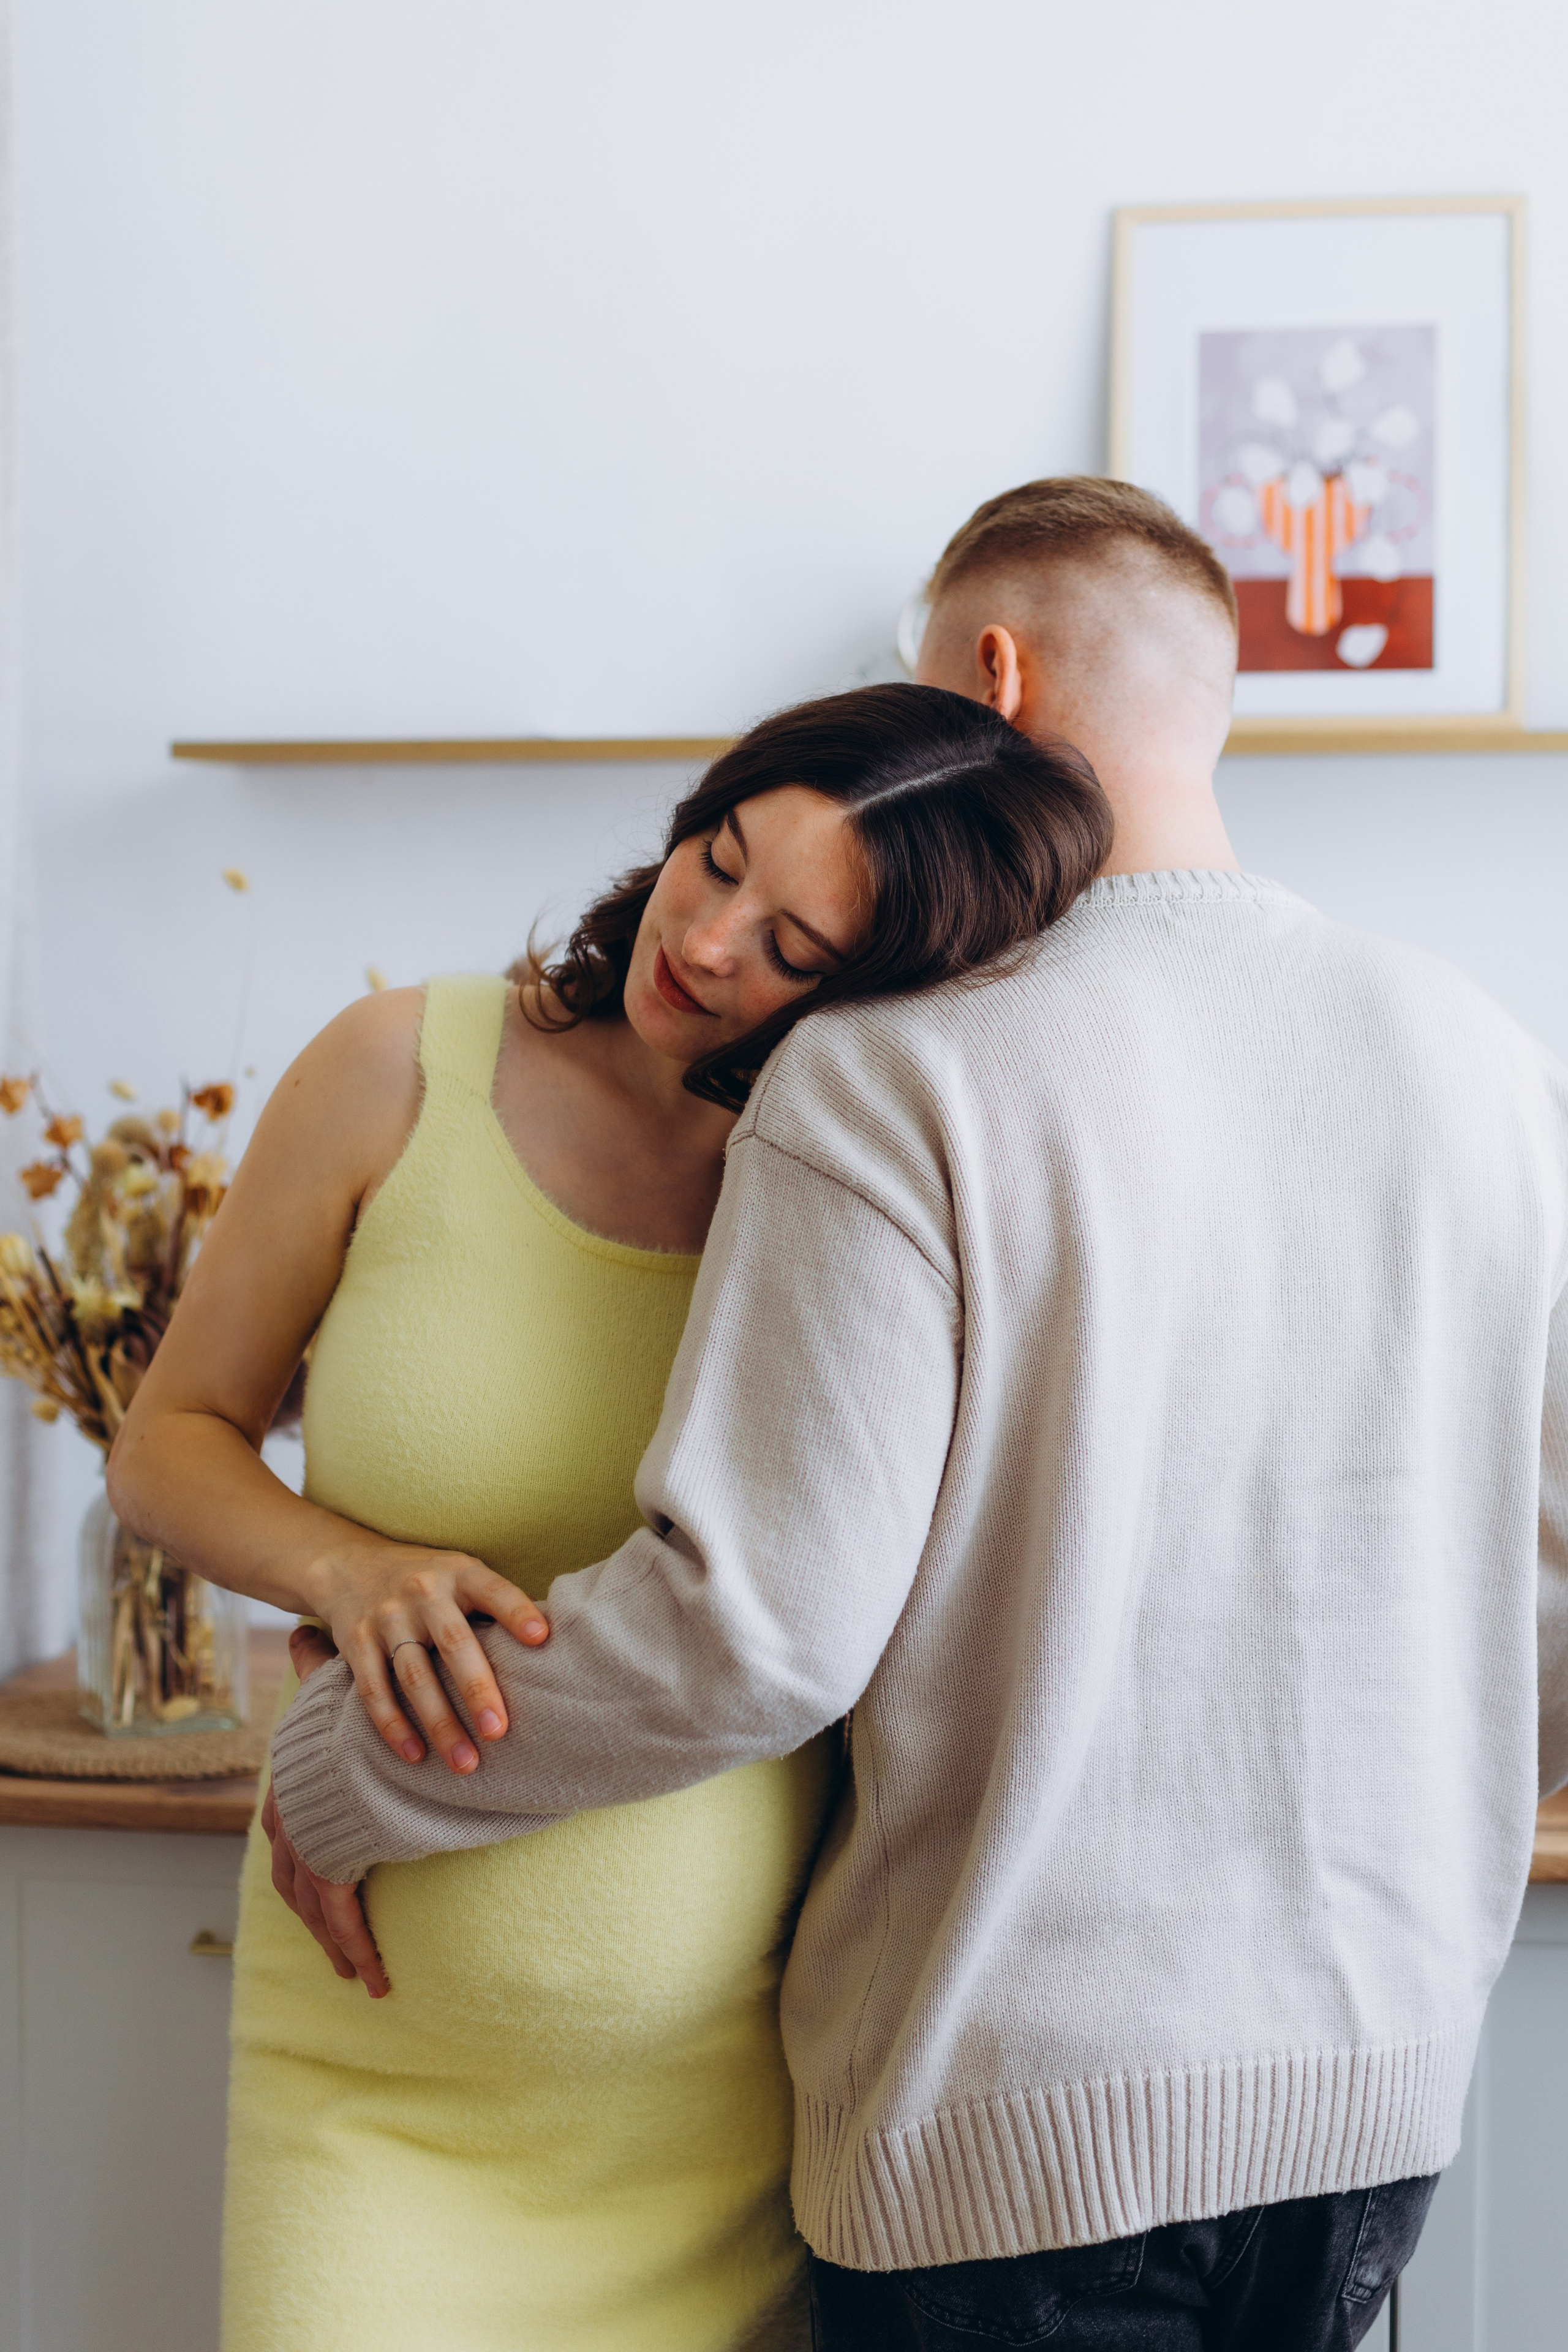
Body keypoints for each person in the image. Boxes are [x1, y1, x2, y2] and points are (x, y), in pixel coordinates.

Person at [244, 478, 1568, 2352]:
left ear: (990, 681)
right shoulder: (1490, 1064)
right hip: (1374, 2104)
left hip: (1012, 2145)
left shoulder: (896, 1076)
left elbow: (753, 1632)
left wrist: (345, 1771)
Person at [107, 682, 1110, 2352]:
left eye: (792, 947)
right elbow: (172, 1443)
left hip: (725, 2113)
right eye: (715, 861)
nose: (708, 942)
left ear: (878, 991)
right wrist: (344, 1569)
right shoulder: (393, 1074)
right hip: (375, 2094)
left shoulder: (863, 1207)